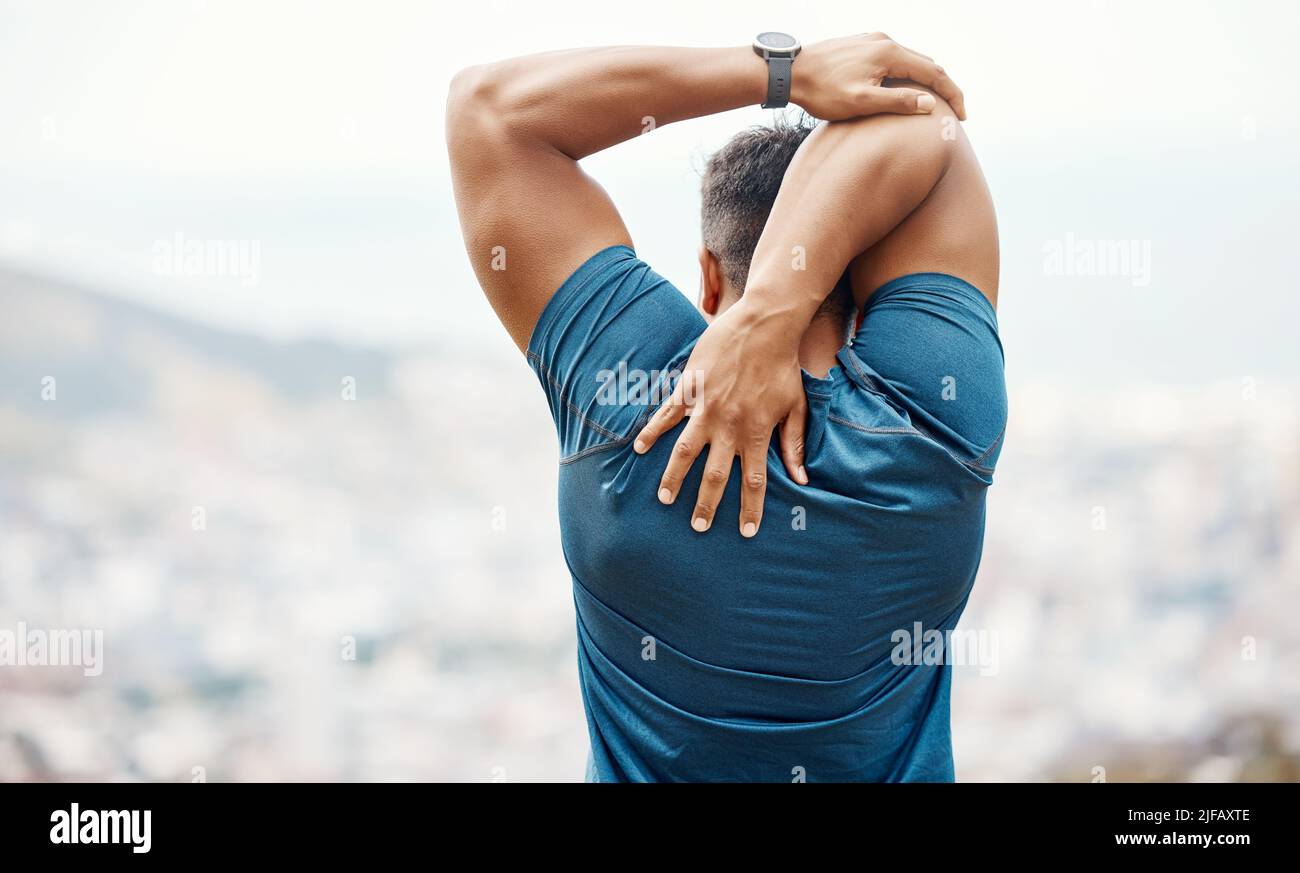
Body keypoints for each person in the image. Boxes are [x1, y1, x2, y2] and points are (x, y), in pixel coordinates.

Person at [446, 32, 1005, 781]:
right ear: (872, 275)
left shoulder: (631, 408)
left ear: (708, 278)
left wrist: (785, 73)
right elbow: (923, 118)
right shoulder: (934, 429)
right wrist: (780, 305)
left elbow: (488, 114)